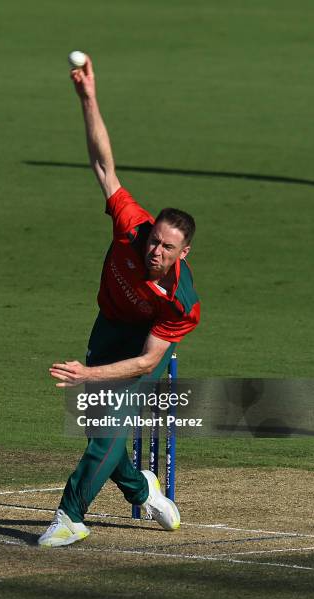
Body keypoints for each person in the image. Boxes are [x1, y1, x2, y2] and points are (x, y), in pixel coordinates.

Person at [38, 55, 200, 547]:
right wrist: (88, 98)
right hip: (108, 327)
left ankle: (70, 516)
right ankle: (141, 488)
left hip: (143, 348)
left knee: (107, 431)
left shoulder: (181, 302)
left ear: (183, 253)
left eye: (167, 248)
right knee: (99, 433)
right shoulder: (131, 224)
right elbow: (104, 165)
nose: (155, 250)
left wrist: (87, 375)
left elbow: (148, 360)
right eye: (154, 241)